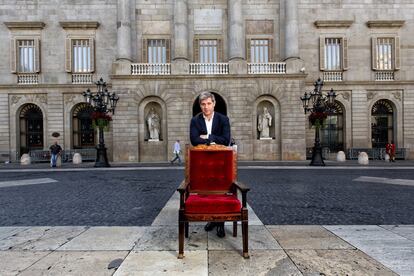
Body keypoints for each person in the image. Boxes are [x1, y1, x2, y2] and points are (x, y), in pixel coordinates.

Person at [190, 91, 231, 238]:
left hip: (221, 162)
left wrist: (207, 137)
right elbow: (194, 140)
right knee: (207, 192)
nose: (206, 107)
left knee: (221, 192)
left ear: (214, 104)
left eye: (209, 103)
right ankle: (212, 219)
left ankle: (220, 224)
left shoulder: (223, 119)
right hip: (203, 162)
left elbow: (226, 139)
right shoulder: (195, 121)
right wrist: (214, 140)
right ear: (200, 105)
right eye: (203, 104)